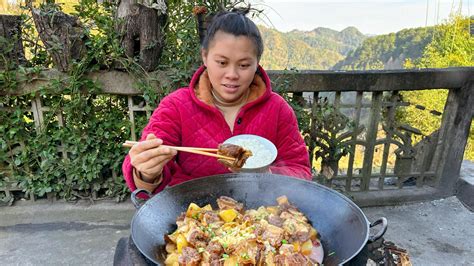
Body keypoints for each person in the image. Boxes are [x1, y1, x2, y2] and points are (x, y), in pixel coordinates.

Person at [122, 8, 311, 195]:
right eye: (222, 62)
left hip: (261, 216)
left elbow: (300, 170)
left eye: (244, 65)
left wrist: (267, 175)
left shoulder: (277, 109)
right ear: (205, 56)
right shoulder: (176, 106)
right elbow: (144, 182)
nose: (232, 75)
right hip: (191, 216)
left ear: (257, 63)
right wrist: (146, 173)